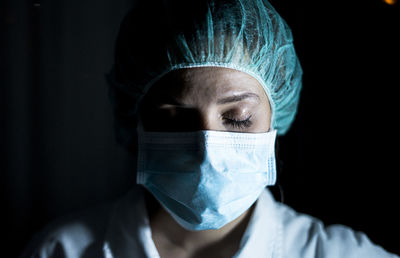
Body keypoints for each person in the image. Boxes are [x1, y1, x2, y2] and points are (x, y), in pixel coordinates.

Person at [21, 0, 398, 257]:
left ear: (276, 117)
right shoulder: (60, 250)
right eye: (174, 119)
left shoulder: (341, 254)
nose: (206, 152)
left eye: (237, 118)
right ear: (136, 122)